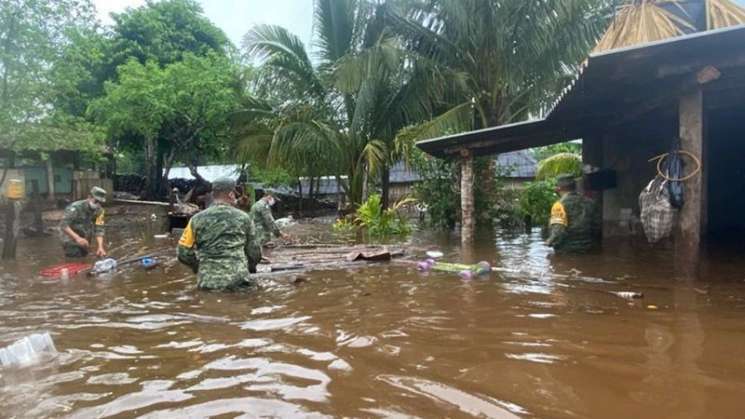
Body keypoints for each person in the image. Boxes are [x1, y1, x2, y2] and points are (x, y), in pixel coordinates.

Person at [177, 177, 262, 291]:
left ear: (213, 194)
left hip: (208, 282)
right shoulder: (244, 218)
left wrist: (199, 267)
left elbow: (183, 252)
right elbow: (254, 252)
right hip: (238, 281)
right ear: (231, 194)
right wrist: (249, 268)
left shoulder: (195, 220)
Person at [546, 175, 598, 253]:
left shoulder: (559, 205)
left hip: (567, 250)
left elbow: (558, 230)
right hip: (588, 248)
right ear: (575, 187)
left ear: (558, 188)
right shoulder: (590, 202)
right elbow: (597, 227)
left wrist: (549, 242)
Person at [60, 187, 108, 258]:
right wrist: (77, 238)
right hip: (70, 238)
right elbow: (64, 225)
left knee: (84, 257)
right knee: (74, 257)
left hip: (85, 239)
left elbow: (99, 229)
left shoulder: (100, 211)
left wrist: (100, 247)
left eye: (100, 202)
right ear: (89, 197)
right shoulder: (75, 208)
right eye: (96, 201)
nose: (98, 204)